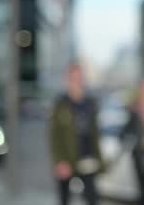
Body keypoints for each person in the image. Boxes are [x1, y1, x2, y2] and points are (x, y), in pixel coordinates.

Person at [49, 64, 104, 205]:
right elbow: (54, 136)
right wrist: (59, 161)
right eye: (74, 78)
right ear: (67, 80)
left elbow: (96, 135)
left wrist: (99, 160)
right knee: (64, 199)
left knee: (92, 197)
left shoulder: (90, 103)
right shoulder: (60, 104)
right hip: (67, 160)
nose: (78, 81)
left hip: (87, 159)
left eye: (80, 78)